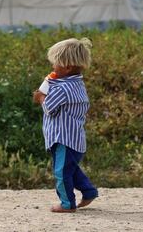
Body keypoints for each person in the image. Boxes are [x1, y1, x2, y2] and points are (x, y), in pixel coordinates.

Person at [33, 37, 98, 213]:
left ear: (67, 67)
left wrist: (41, 97)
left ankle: (67, 203)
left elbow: (49, 108)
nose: (52, 68)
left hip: (63, 138)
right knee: (70, 169)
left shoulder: (62, 89)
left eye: (55, 65)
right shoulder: (77, 83)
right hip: (75, 139)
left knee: (61, 173)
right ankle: (89, 191)